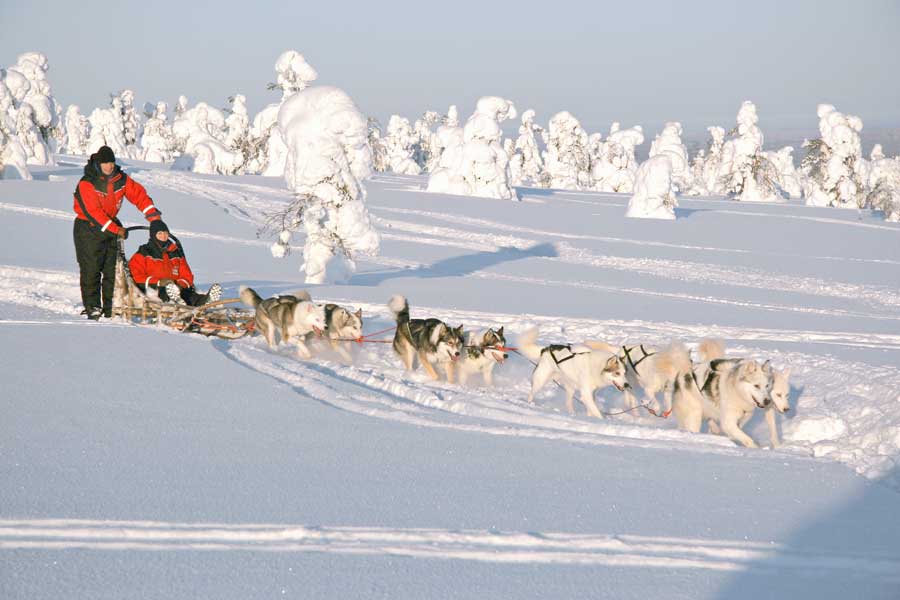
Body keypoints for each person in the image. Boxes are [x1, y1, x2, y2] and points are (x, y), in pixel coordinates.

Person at [73, 145, 163, 320]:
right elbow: (94, 213)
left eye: (112, 162)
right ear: (98, 163)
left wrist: (154, 217)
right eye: (106, 163)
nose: (109, 166)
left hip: (111, 226)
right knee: (91, 269)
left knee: (112, 270)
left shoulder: (120, 179)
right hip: (88, 229)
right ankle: (93, 307)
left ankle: (109, 307)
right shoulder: (87, 183)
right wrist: (116, 229)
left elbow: (139, 195)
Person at [128, 220, 221, 307]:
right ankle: (175, 301)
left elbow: (187, 276)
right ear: (153, 235)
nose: (163, 236)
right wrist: (159, 282)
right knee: (165, 291)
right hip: (154, 289)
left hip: (177, 288)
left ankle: (204, 301)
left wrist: (180, 285)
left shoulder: (175, 252)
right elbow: (136, 277)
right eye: (159, 233)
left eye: (166, 233)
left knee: (188, 294)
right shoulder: (144, 252)